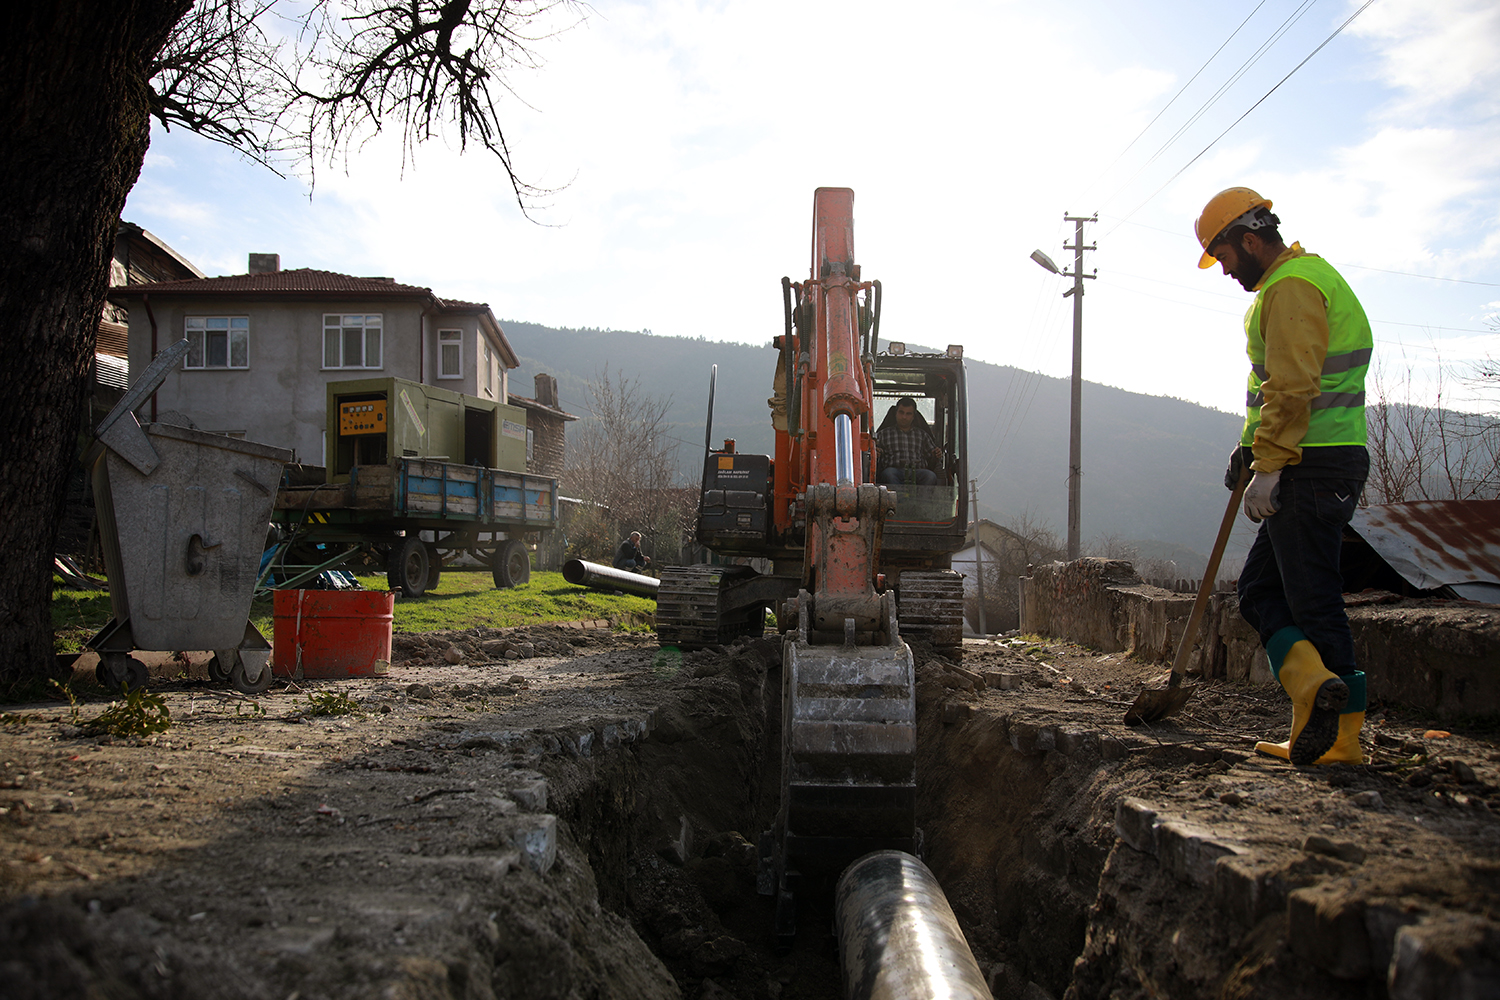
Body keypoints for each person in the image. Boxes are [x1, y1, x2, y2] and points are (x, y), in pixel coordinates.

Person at [1195, 187, 1372, 766]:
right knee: (1263, 592)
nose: (1225, 271)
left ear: (1249, 239)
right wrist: (1248, 450)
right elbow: (1273, 392)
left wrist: (1268, 466)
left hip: (1310, 464)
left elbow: (1294, 387)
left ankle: (1341, 738)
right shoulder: (1294, 282)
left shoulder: (1293, 287)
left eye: (1223, 257)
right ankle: (1313, 706)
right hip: (1303, 458)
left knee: (1313, 600)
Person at [875, 396, 943, 486]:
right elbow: (874, 452)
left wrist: (937, 453)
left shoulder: (922, 435)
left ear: (913, 416)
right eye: (901, 412)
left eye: (908, 414)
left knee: (930, 476)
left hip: (918, 471)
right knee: (888, 474)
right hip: (894, 470)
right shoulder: (883, 434)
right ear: (896, 413)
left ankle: (922, 500)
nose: (904, 417)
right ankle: (896, 499)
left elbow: (932, 454)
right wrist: (876, 452)